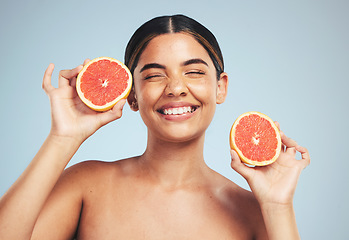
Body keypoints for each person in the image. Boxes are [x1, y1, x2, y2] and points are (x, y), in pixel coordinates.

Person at [0, 14, 310, 239]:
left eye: (194, 72)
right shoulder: (86, 185)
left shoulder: (255, 211)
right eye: (153, 75)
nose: (176, 88)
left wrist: (278, 206)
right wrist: (61, 138)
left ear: (220, 88)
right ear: (131, 95)